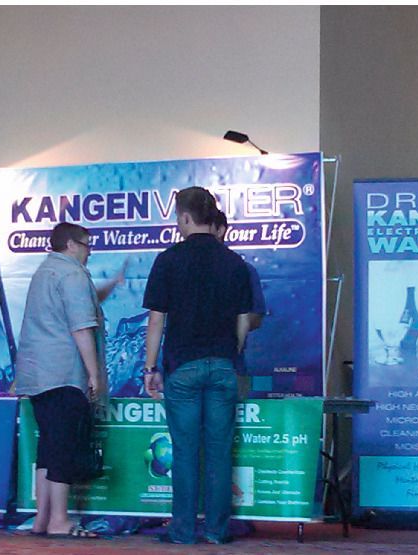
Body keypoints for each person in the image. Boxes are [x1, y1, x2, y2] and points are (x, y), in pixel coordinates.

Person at [142, 187, 253, 545]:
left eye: (178, 217)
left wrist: (150, 368)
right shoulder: (234, 262)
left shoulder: (168, 260)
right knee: (219, 453)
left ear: (186, 217)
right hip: (223, 365)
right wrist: (232, 353)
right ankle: (218, 531)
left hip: (183, 367)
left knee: (186, 451)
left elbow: (156, 320)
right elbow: (243, 320)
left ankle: (183, 531)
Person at [15, 222, 122, 540]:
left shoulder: (44, 272)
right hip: (64, 374)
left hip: (39, 376)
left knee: (48, 445)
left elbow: (79, 305)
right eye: (87, 244)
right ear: (72, 245)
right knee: (63, 447)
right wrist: (94, 374)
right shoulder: (73, 275)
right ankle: (60, 520)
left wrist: (110, 286)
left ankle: (42, 518)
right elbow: (80, 326)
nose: (90, 252)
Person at [211, 209, 266, 399]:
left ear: (220, 230)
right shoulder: (180, 266)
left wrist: (223, 323)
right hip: (186, 367)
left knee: (230, 419)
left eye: (205, 227)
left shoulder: (243, 270)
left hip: (231, 366)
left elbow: (256, 317)